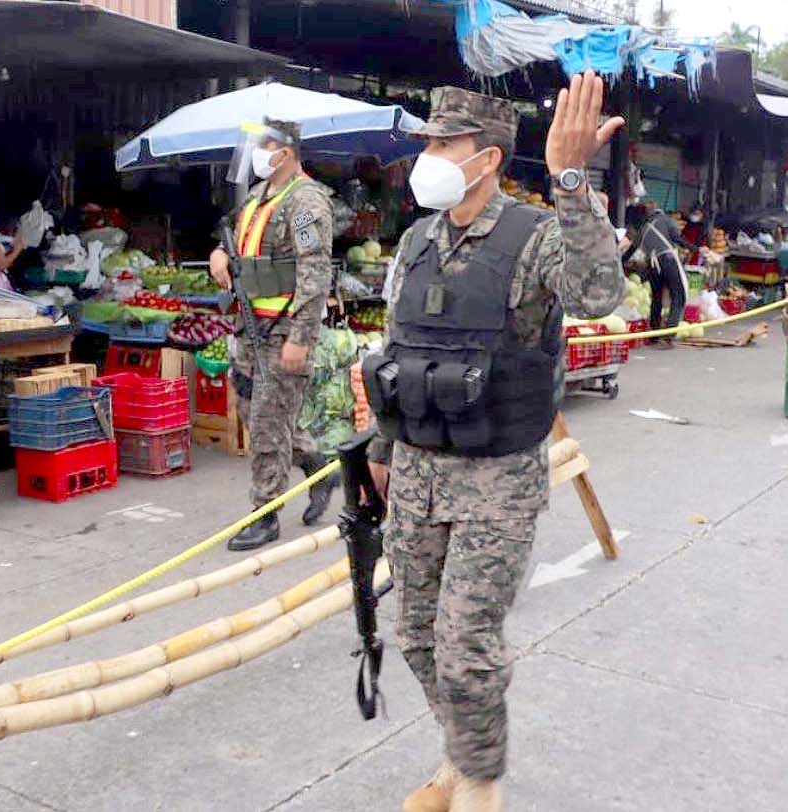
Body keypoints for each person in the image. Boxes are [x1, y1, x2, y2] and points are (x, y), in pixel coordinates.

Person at [362, 74, 625, 812]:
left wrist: (570, 181)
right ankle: (459, 755)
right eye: (429, 142)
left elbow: (598, 295)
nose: (430, 156)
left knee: (465, 646)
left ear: (489, 158)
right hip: (416, 471)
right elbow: (401, 349)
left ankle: (478, 784)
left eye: (446, 144)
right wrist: (381, 448)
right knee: (417, 635)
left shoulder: (534, 236)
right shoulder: (416, 240)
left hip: (495, 481)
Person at [208, 118, 336, 551]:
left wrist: (302, 337)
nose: (256, 156)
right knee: (257, 414)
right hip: (250, 327)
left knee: (267, 426)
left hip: (283, 329)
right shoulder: (258, 196)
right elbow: (238, 242)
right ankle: (318, 466)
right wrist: (219, 254)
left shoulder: (305, 203)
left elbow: (315, 273)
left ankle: (265, 514)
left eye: (262, 147)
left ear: (285, 153)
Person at [622, 202, 695, 348]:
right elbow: (676, 238)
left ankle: (654, 335)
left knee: (656, 298)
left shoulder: (642, 229)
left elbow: (629, 252)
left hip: (653, 265)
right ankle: (668, 336)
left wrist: (621, 263)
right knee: (678, 296)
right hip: (668, 260)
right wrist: (694, 248)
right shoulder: (667, 221)